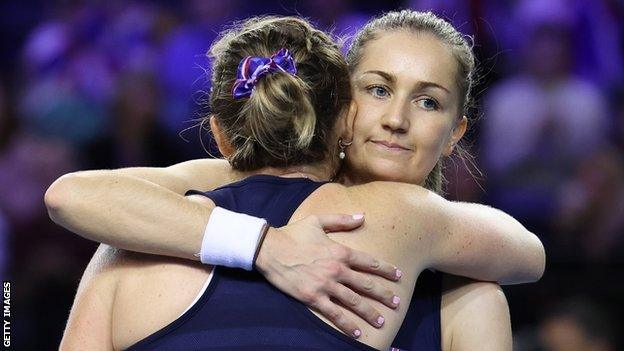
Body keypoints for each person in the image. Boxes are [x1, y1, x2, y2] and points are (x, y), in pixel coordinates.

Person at [46, 13, 543, 350]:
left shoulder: (464, 287)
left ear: (457, 132)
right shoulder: (219, 179)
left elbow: (530, 254)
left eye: (428, 100)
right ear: (342, 110)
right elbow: (74, 194)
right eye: (378, 89)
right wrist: (262, 244)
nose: (396, 118)